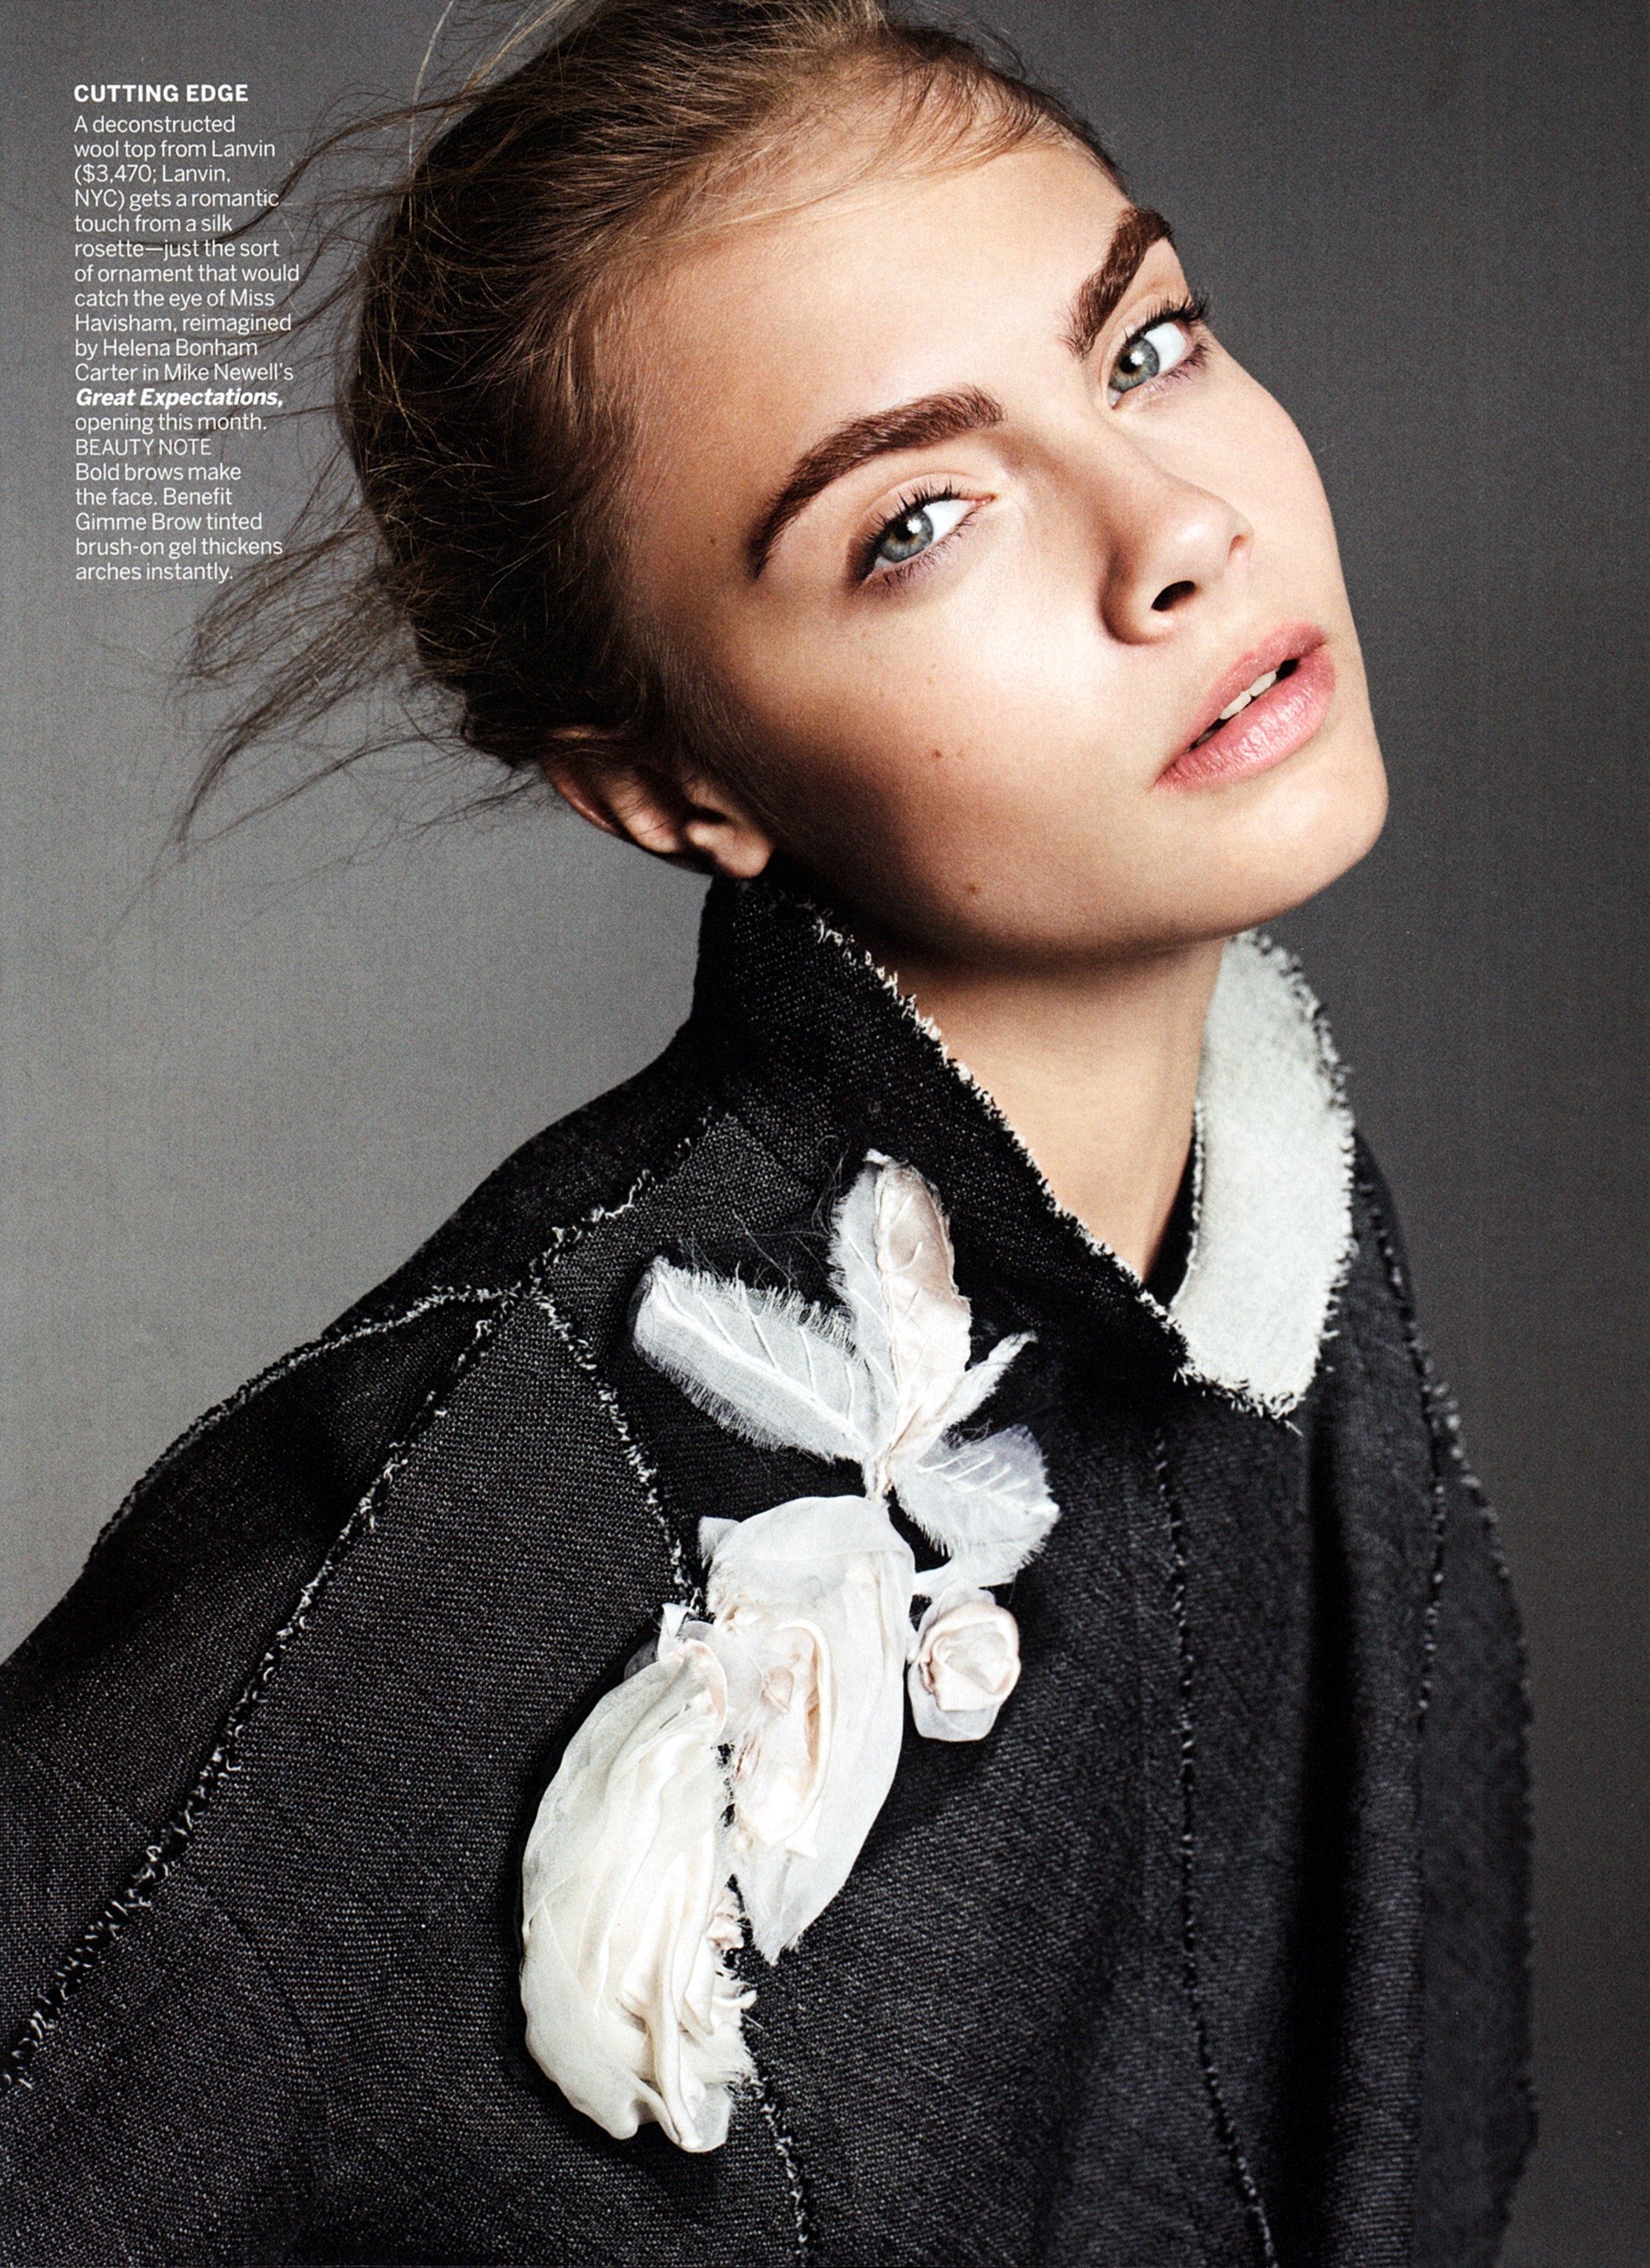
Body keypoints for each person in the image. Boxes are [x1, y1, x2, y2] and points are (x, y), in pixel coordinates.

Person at [0, 3, 1531, 2261]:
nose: (1180, 531)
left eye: (1147, 346)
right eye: (918, 521)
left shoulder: (1272, 1244)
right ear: (670, 787)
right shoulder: (494, 1482)